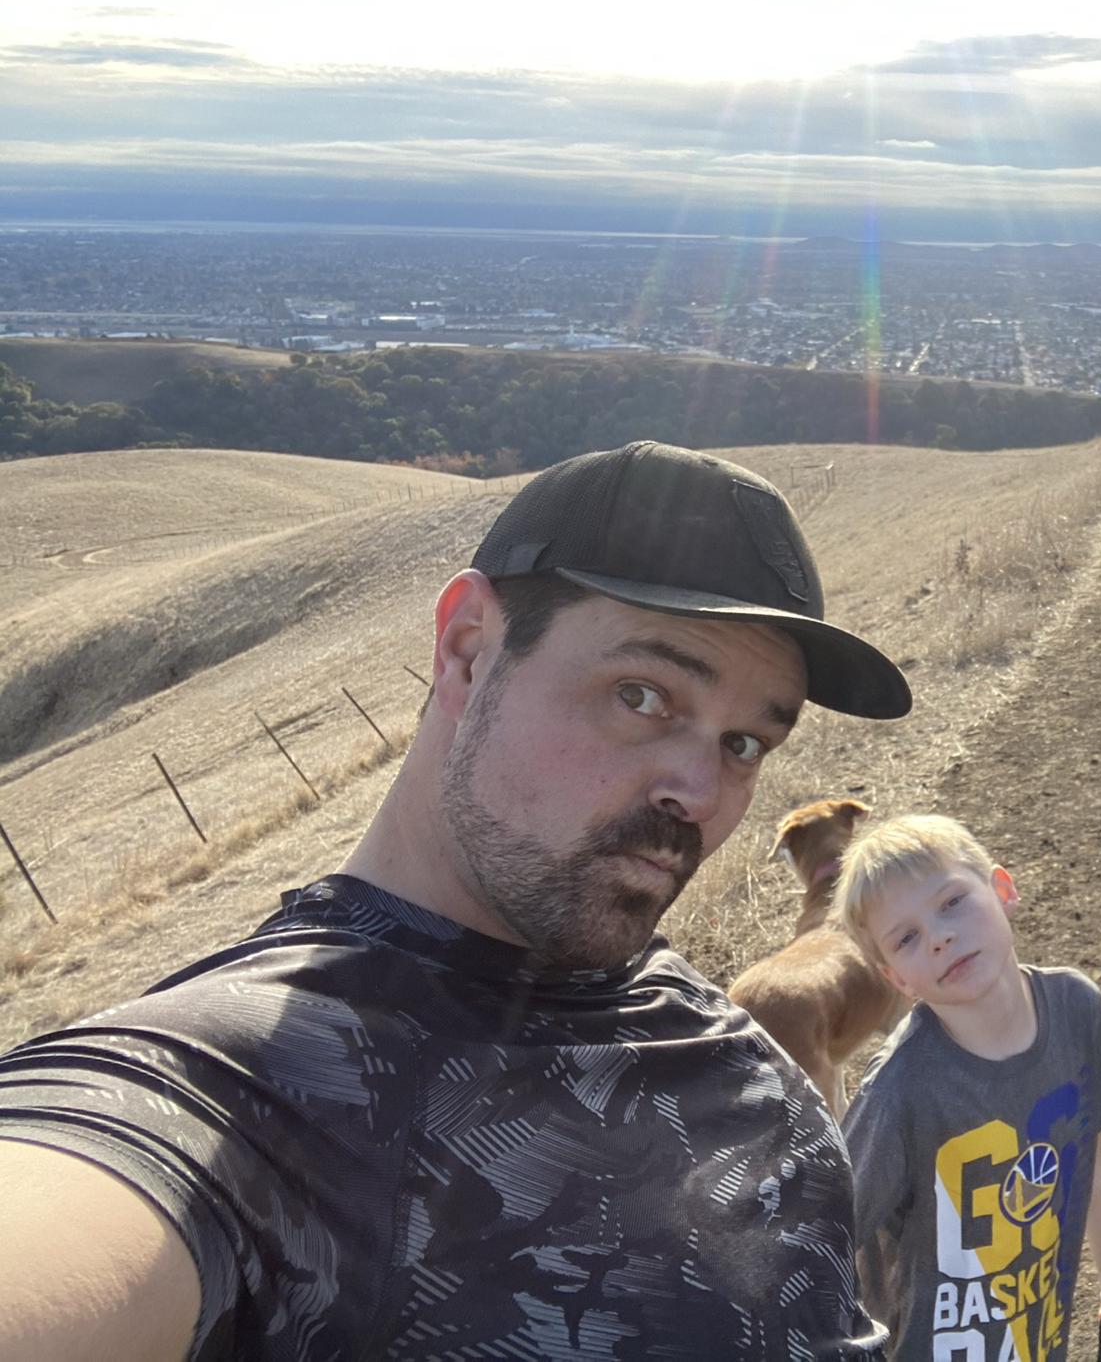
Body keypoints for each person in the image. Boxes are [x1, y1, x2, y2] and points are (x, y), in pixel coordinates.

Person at [0, 441, 914, 1360]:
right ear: (468, 649)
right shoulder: (234, 1096)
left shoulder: (720, 1034)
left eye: (747, 743)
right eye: (642, 694)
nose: (702, 791)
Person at [833, 814, 1101, 1362]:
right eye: (906, 938)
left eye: (952, 902)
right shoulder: (898, 1092)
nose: (939, 937)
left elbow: (1091, 1158)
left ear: (1003, 890)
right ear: (897, 979)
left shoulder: (1077, 1010)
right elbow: (822, 1246)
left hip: (1038, 1338)